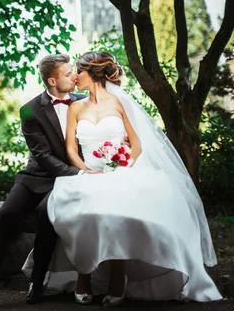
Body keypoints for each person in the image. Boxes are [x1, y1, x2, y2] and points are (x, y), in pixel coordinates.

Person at [22, 51, 222, 306]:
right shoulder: (75, 106)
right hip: (87, 173)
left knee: (116, 213)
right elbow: (71, 148)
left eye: (78, 72)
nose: (75, 77)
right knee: (79, 214)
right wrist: (85, 170)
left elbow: (136, 144)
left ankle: (118, 277)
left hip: (121, 172)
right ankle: (84, 274)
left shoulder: (119, 103)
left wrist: (122, 165)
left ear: (92, 74)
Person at [0, 54, 92, 311]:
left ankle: (37, 282)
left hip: (66, 181)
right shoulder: (30, 109)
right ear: (52, 80)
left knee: (46, 213)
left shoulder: (83, 101)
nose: (73, 76)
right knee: (6, 216)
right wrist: (78, 174)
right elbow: (42, 155)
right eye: (67, 74)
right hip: (36, 176)